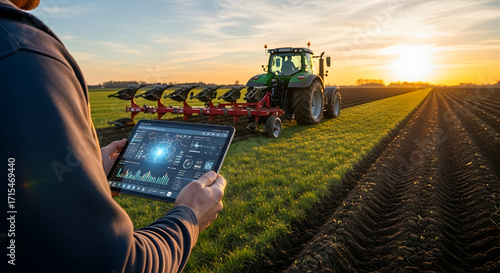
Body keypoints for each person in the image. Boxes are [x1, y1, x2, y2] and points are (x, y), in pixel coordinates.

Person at [0, 1, 226, 272]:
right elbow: (112, 263)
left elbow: (20, 214)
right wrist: (188, 218)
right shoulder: (22, 50)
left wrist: (83, 176)